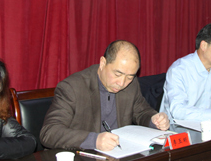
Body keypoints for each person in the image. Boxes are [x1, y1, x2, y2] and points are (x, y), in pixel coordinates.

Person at [40, 40, 169, 151]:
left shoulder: (131, 84)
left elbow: (141, 112)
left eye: (129, 77)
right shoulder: (72, 88)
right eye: (117, 74)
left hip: (119, 155)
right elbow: (49, 132)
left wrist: (154, 119)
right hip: (82, 158)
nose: (122, 83)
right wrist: (94, 140)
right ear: (102, 63)